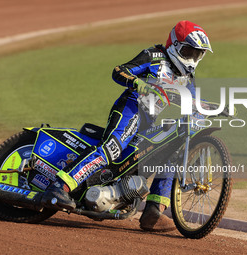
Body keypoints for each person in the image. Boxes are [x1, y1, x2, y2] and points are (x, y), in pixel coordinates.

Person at [41, 20, 213, 232]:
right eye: (189, 51)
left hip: (148, 121)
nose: (193, 59)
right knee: (110, 149)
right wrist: (138, 83)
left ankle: (154, 212)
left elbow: (192, 103)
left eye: (198, 54)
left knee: (172, 149)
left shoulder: (187, 76)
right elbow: (119, 71)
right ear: (175, 46)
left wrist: (213, 108)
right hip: (129, 110)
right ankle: (60, 186)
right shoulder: (154, 55)